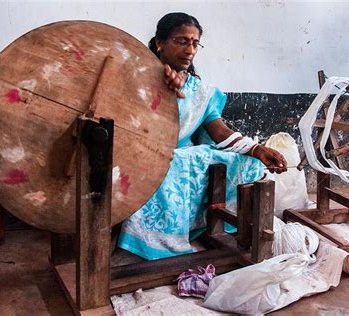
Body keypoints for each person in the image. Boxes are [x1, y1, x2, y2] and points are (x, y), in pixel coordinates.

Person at [117, 12, 287, 260]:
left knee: (248, 162)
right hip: (142, 151)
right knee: (167, 164)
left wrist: (257, 149)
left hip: (182, 154)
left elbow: (219, 131)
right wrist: (156, 84)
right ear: (159, 43)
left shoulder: (199, 90)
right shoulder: (136, 77)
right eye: (182, 41)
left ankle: (215, 227)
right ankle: (150, 241)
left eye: (195, 43)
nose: (190, 50)